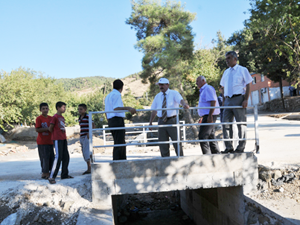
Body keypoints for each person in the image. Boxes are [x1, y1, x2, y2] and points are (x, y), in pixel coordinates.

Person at [220, 51, 253, 154]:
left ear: (235, 59)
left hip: (239, 98)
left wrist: (246, 99)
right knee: (226, 124)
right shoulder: (226, 72)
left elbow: (248, 85)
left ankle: (240, 147)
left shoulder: (242, 70)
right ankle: (229, 147)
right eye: (226, 59)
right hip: (228, 100)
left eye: (229, 58)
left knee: (241, 124)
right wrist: (224, 101)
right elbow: (222, 87)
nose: (227, 61)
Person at [149, 78, 189, 157]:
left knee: (177, 142)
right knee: (163, 143)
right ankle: (165, 161)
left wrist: (184, 104)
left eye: (162, 85)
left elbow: (180, 100)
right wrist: (150, 122)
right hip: (161, 121)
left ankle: (180, 159)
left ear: (167, 85)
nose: (161, 87)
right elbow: (154, 110)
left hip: (172, 120)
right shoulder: (157, 96)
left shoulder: (174, 93)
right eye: (160, 85)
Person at [105, 79, 136, 160]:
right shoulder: (117, 95)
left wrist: (108, 121)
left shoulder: (108, 96)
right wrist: (128, 108)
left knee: (118, 142)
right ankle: (119, 161)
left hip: (111, 120)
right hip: (117, 120)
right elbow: (116, 108)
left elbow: (106, 111)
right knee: (120, 142)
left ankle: (119, 160)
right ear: (122, 88)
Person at [48, 101, 73, 184]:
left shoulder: (62, 117)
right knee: (58, 157)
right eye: (63, 107)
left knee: (66, 156)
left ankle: (64, 174)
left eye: (65, 107)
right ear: (58, 108)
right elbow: (50, 128)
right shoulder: (54, 117)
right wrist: (55, 135)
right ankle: (52, 176)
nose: (64, 109)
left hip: (63, 138)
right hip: (57, 139)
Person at [196, 76, 220, 155]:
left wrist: (210, 115)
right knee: (210, 136)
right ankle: (216, 153)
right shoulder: (203, 90)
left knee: (203, 136)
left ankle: (207, 155)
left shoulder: (208, 88)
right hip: (206, 115)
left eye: (198, 81)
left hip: (209, 115)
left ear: (203, 81)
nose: (196, 83)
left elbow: (213, 102)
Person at [35, 103, 54, 179]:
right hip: (42, 142)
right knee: (44, 157)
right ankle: (44, 173)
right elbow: (37, 129)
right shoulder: (39, 118)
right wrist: (47, 129)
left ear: (48, 109)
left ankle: (49, 172)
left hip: (50, 141)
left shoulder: (51, 118)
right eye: (43, 109)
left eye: (46, 108)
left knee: (51, 157)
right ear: (40, 110)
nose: (45, 110)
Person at [78, 103, 94, 175]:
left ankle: (89, 168)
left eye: (81, 109)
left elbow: (93, 125)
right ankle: (89, 168)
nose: (79, 110)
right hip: (82, 136)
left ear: (85, 110)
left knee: (87, 152)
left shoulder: (87, 116)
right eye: (79, 109)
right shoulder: (79, 117)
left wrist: (89, 133)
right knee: (84, 152)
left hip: (86, 136)